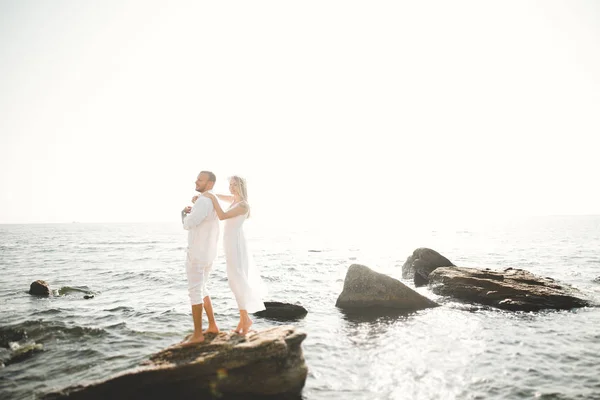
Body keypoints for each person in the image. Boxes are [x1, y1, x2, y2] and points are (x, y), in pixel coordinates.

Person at [203, 176, 266, 335]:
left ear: (241, 186)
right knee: (233, 281)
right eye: (230, 184)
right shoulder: (233, 199)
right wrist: (207, 194)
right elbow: (217, 197)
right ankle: (243, 319)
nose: (231, 187)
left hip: (236, 244)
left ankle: (245, 319)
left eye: (234, 184)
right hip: (229, 242)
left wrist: (211, 197)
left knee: (237, 279)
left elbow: (223, 215)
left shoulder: (243, 205)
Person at [181, 171, 220, 344]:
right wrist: (194, 207)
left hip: (197, 253)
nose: (196, 181)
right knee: (203, 288)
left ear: (210, 183)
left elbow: (188, 224)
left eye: (200, 179)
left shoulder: (204, 201)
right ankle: (212, 326)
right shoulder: (210, 201)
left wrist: (183, 213)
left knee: (194, 291)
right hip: (208, 253)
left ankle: (198, 335)